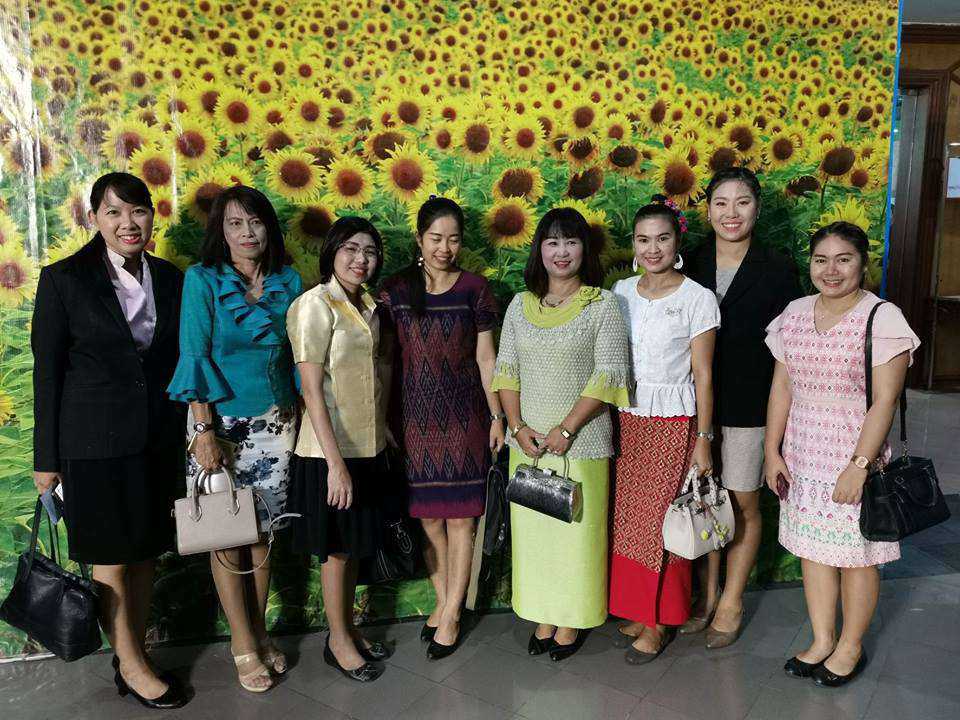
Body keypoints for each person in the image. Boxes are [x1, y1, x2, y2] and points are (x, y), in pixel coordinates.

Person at [32, 172, 188, 709]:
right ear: (93, 218)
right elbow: (47, 374)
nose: (128, 223)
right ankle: (132, 665)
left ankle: (132, 655)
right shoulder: (64, 279)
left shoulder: (170, 278)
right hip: (92, 443)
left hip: (155, 439)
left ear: (151, 216)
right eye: (114, 212)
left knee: (145, 553)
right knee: (112, 558)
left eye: (138, 210)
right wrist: (46, 460)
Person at [765, 221, 919, 687]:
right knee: (813, 550)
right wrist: (772, 450)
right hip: (802, 453)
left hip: (854, 454)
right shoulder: (793, 314)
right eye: (821, 260)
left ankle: (850, 646)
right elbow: (782, 388)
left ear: (863, 264)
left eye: (843, 259)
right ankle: (821, 639)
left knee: (857, 554)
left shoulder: (882, 319)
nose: (831, 270)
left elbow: (884, 402)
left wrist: (859, 466)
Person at [167, 185, 301, 693]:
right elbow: (194, 353)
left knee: (263, 534)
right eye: (235, 224)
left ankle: (260, 632)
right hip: (219, 427)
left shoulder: (290, 280)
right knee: (225, 535)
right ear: (220, 232)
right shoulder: (202, 280)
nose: (247, 233)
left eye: (255, 222)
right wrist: (204, 431)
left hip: (277, 424)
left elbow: (300, 354)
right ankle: (242, 643)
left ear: (269, 227)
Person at [492, 207, 630, 662]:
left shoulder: (602, 304)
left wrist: (567, 428)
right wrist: (517, 427)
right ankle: (543, 613)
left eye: (571, 241)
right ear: (540, 250)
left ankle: (571, 617)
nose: (562, 251)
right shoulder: (519, 305)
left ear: (585, 249)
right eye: (552, 242)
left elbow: (610, 373)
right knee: (537, 536)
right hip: (528, 445)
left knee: (576, 535)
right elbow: (506, 370)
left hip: (582, 444)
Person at [379, 197, 504, 659]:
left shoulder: (475, 289)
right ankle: (444, 599)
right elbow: (385, 360)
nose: (444, 248)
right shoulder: (395, 291)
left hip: (465, 418)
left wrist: (497, 415)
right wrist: (382, 418)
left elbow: (486, 358)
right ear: (419, 239)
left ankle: (451, 613)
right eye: (435, 238)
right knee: (428, 517)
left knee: (462, 518)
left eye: (453, 239)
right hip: (412, 420)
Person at [682, 166, 801, 648]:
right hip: (692, 406)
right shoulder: (687, 260)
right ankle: (705, 595)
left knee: (743, 503)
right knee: (703, 501)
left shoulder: (778, 268)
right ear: (708, 210)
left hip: (751, 407)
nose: (731, 213)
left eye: (743, 202)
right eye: (721, 203)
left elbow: (788, 348)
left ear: (757, 208)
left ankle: (731, 601)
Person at [608, 197, 720, 665]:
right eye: (643, 240)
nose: (652, 249)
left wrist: (703, 440)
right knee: (629, 522)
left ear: (677, 243)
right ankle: (639, 609)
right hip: (625, 420)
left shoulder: (697, 297)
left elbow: (704, 375)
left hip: (674, 424)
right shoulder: (620, 292)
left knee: (664, 524)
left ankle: (660, 622)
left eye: (662, 238)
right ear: (634, 244)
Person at [286, 216, 393, 683]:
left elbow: (369, 377)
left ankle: (346, 629)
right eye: (351, 248)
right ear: (332, 252)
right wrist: (335, 466)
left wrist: (383, 429)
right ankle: (337, 640)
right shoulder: (314, 305)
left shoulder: (369, 306)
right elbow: (311, 390)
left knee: (352, 548)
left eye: (369, 251)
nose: (360, 259)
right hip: (329, 452)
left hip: (366, 446)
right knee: (336, 551)